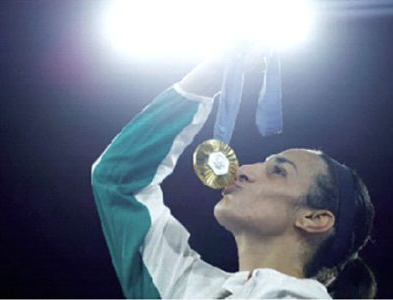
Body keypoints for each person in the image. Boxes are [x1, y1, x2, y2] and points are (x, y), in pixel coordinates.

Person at [91, 57, 377, 299]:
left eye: (278, 171)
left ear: (314, 219)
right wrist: (211, 76)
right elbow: (118, 181)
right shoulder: (186, 288)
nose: (241, 170)